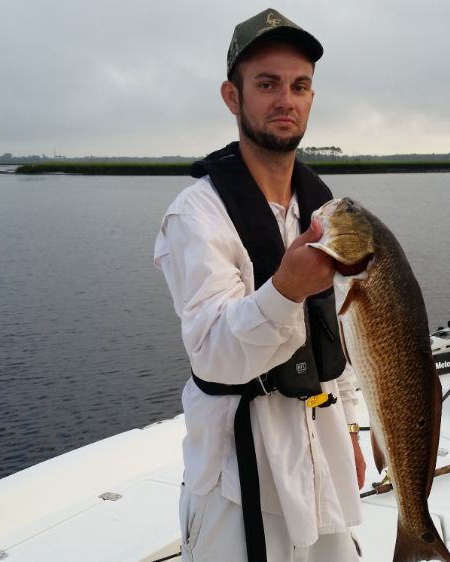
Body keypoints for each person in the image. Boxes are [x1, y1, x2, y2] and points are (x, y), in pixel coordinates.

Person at [153, 8, 366, 562]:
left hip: (324, 457)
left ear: (312, 98)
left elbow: (336, 335)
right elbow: (214, 356)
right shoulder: (195, 218)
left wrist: (352, 425)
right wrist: (285, 289)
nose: (285, 100)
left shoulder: (323, 210)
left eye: (299, 86)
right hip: (237, 475)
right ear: (233, 96)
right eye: (266, 84)